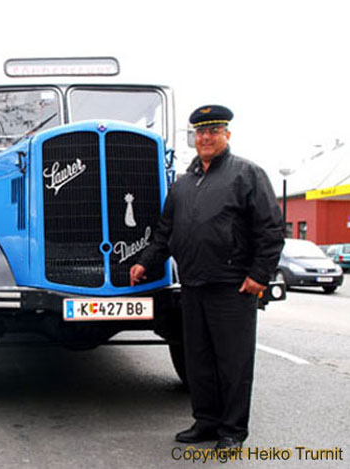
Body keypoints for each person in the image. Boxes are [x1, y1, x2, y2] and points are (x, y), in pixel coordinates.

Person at [129, 105, 284, 450]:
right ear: (194, 137)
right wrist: (145, 263)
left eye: (214, 131)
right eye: (200, 132)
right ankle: (206, 422)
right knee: (198, 360)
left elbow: (271, 228)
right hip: (193, 285)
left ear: (227, 135)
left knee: (233, 362)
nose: (206, 137)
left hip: (232, 286)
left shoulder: (247, 174)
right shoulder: (184, 184)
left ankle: (231, 431)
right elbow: (165, 233)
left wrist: (260, 275)